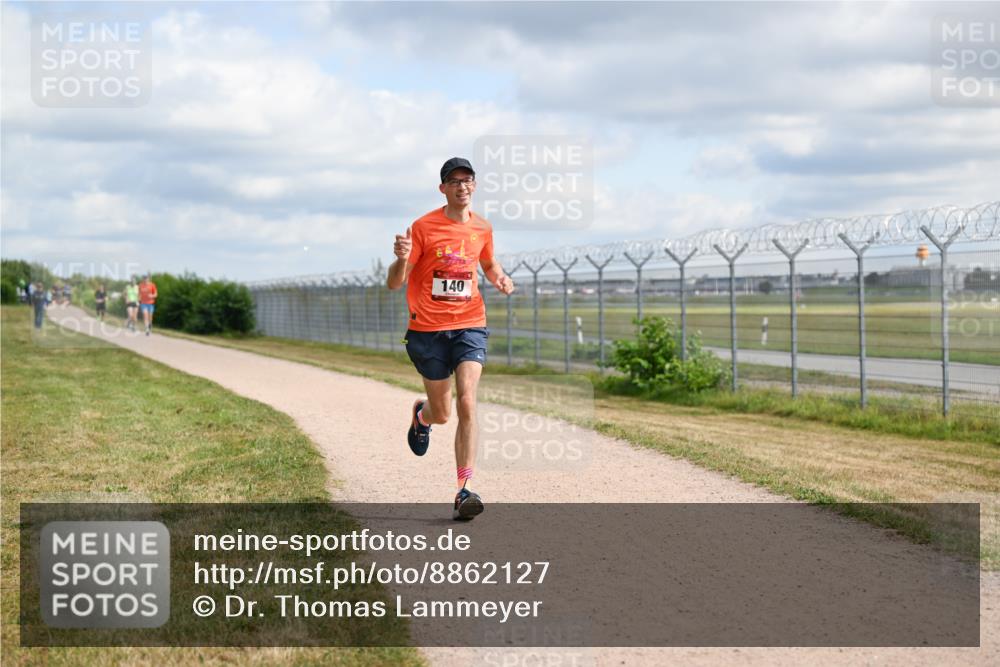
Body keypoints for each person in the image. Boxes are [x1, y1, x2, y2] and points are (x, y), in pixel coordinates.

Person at [386, 157, 515, 520]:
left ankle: (464, 489)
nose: (462, 186)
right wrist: (399, 259)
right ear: (443, 188)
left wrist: (499, 278)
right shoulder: (423, 227)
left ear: (474, 185)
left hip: (470, 323)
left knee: (468, 402)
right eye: (454, 181)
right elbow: (395, 283)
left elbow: (488, 263)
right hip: (427, 330)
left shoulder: (483, 228)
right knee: (442, 412)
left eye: (468, 180)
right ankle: (422, 417)